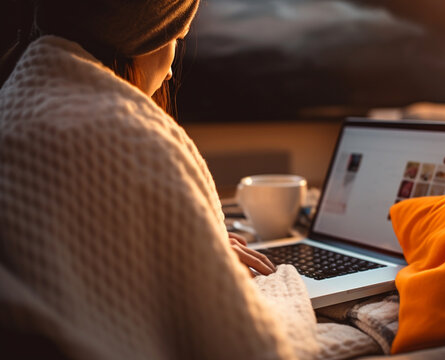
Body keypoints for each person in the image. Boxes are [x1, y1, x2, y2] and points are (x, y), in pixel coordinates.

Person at [0, 1, 320, 359]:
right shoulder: (130, 136)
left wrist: (187, 251)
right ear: (142, 35)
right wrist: (210, 274)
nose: (170, 72)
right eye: (176, 39)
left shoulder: (13, 108)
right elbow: (250, 348)